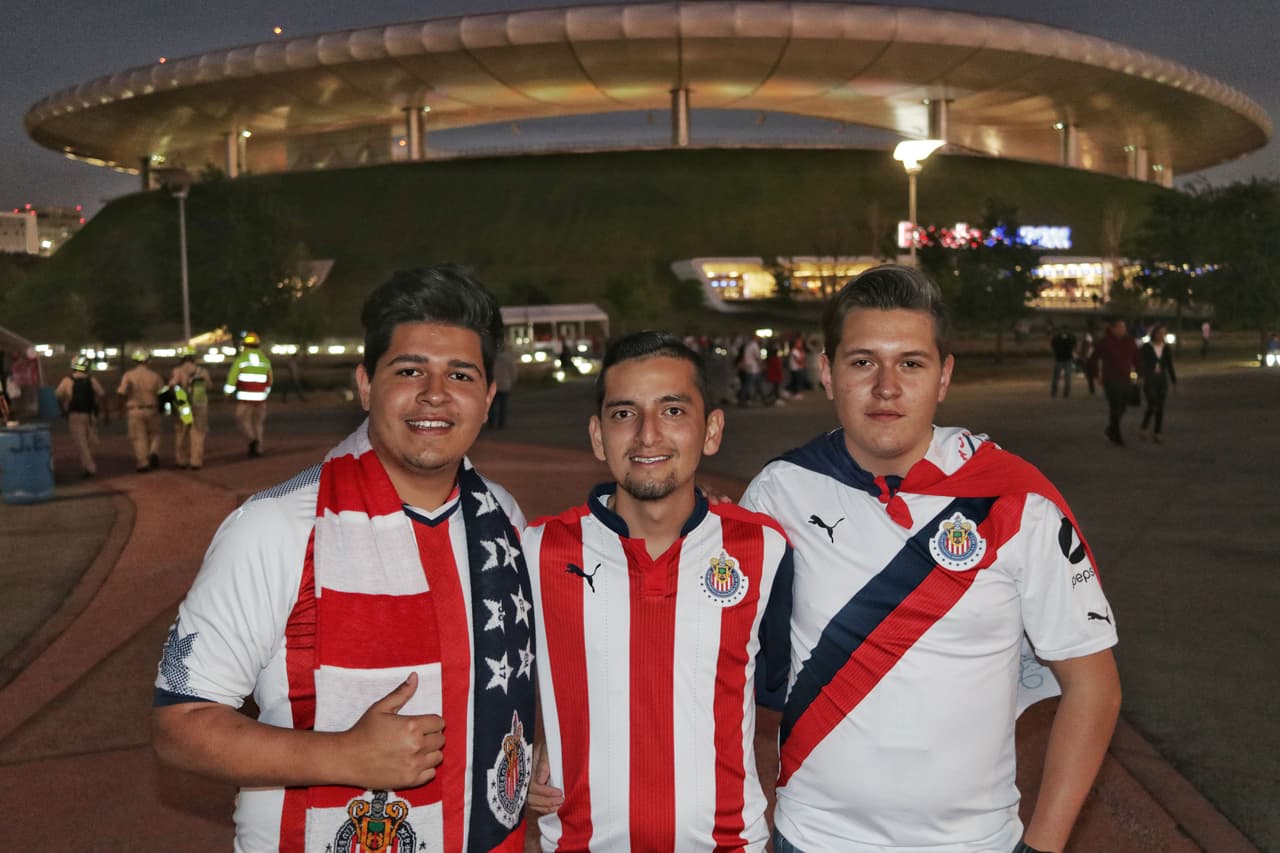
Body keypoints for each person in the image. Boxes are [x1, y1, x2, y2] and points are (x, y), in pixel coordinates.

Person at [152, 265, 536, 853]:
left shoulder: (501, 516)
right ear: (365, 384)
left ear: (487, 398)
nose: (435, 393)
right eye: (409, 370)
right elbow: (179, 726)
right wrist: (343, 756)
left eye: (460, 374)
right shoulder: (274, 526)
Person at [742, 265, 1120, 853]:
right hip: (814, 839)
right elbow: (713, 661)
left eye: (911, 363)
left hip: (978, 843)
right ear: (827, 373)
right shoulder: (778, 493)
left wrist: (1043, 847)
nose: (886, 387)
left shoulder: (1016, 499)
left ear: (943, 377)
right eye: (863, 362)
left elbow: (1093, 686)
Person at [524, 331, 793, 850]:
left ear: (711, 430)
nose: (647, 435)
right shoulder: (539, 550)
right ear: (598, 436)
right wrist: (533, 742)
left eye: (672, 411)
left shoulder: (763, 548)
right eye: (625, 413)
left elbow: (784, 685)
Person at [1088, 317, 1139, 446]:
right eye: (1120, 327)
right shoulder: (1105, 342)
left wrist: (1138, 373)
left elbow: (1136, 357)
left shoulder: (1129, 341)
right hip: (1110, 378)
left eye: (1124, 327)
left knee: (1123, 406)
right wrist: (1096, 375)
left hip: (1126, 377)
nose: (1123, 330)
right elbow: (1093, 359)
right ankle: (1117, 435)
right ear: (1113, 329)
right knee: (1115, 405)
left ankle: (1111, 429)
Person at [224, 331, 273, 457]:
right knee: (258, 424)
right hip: (261, 399)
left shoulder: (241, 360)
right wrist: (265, 393)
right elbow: (270, 380)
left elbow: (232, 378)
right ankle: (259, 448)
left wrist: (227, 393)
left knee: (242, 421)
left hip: (245, 399)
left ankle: (252, 440)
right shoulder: (265, 361)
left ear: (245, 345)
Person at [55, 355, 105, 477]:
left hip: (75, 415)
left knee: (81, 443)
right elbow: (102, 395)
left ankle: (89, 468)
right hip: (90, 414)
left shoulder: (67, 380)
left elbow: (58, 396)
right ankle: (89, 465)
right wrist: (104, 412)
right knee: (90, 442)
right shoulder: (92, 380)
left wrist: (63, 411)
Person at [118, 349, 165, 471]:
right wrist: (163, 409)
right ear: (148, 360)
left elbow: (122, 393)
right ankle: (153, 451)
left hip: (134, 410)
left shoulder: (128, 375)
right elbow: (162, 394)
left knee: (139, 437)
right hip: (152, 408)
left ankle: (143, 462)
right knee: (155, 433)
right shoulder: (155, 376)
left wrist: (120, 409)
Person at [170, 347, 212, 469]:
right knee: (198, 433)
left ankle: (181, 460)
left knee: (182, 432)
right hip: (200, 403)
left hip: (184, 404)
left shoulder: (178, 371)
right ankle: (196, 461)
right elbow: (209, 386)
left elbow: (172, 385)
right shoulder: (202, 371)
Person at [1138, 323, 1177, 443]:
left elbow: (1169, 365)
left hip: (1162, 380)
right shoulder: (1146, 347)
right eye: (1159, 333)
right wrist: (1140, 375)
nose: (1161, 335)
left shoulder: (1166, 348)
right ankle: (1144, 426)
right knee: (1152, 403)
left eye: (1164, 333)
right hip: (1150, 379)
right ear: (1154, 334)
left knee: (1160, 406)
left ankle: (1157, 432)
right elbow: (1140, 362)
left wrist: (1174, 380)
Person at [487, 345, 516, 429]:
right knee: (503, 405)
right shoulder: (508, 358)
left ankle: (491, 423)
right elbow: (513, 370)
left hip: (493, 384)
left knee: (492, 405)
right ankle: (501, 423)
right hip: (505, 384)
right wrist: (512, 380)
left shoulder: (491, 358)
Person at [1049, 326, 1077, 398]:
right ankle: (1064, 393)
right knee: (1066, 377)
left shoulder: (1057, 338)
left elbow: (1053, 346)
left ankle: (1056, 392)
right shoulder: (1070, 337)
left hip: (1061, 359)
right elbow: (1074, 346)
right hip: (1065, 359)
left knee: (1059, 377)